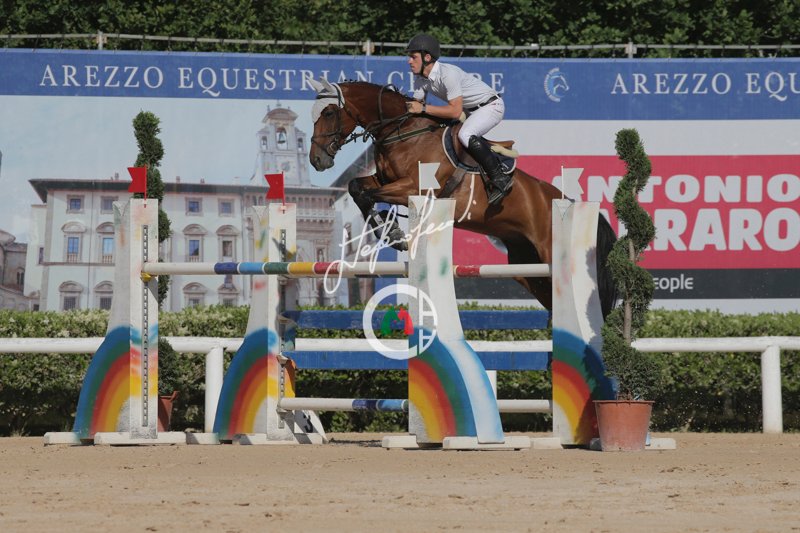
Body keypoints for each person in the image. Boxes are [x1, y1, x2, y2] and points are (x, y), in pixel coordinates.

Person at [404, 33, 512, 206]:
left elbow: (455, 111)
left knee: (465, 134)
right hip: (472, 112)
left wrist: (423, 108)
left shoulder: (448, 74)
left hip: (491, 106)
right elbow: (415, 106)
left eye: (413, 57)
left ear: (427, 57)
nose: (409, 61)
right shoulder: (420, 78)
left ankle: (500, 178)